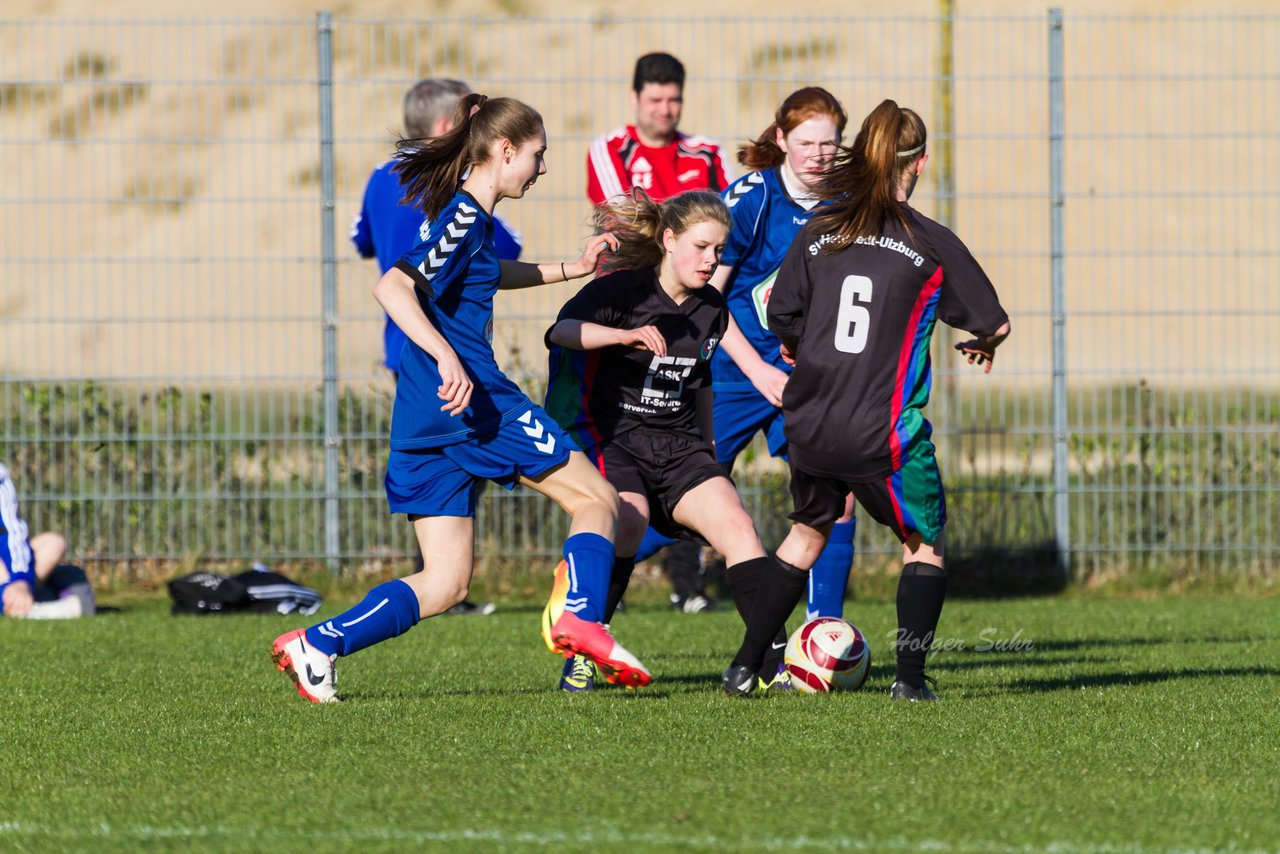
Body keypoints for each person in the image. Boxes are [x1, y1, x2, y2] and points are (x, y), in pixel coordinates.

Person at [271, 94, 650, 703]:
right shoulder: (463, 219)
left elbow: (488, 271)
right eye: (538, 154)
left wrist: (572, 268)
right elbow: (393, 288)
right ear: (505, 151)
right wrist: (448, 355)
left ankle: (317, 644)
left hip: (424, 416)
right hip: (476, 404)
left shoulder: (468, 219)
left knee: (446, 583)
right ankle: (579, 620)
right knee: (600, 501)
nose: (542, 167)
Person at [721, 100, 1011, 702]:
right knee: (923, 544)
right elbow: (993, 322)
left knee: (803, 536)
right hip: (883, 434)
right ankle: (909, 680)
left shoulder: (821, 228)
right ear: (919, 164)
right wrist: (982, 342)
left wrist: (808, 353)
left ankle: (745, 667)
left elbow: (781, 314)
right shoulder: (930, 241)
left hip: (812, 420)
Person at [545, 190, 793, 693]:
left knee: (739, 530)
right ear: (669, 238)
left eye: (720, 251)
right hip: (616, 439)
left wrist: (710, 454)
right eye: (702, 247)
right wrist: (622, 336)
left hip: (681, 448)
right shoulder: (622, 292)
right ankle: (586, 651)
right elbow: (561, 331)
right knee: (628, 523)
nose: (712, 260)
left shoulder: (711, 310)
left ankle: (770, 668)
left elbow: (700, 383)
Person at [351, 77, 517, 617]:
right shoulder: (455, 186)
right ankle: (444, 581)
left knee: (439, 457)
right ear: (451, 125)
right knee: (463, 453)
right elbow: (501, 248)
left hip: (400, 345)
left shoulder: (380, 177)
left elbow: (363, 242)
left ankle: (439, 578)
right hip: (444, 344)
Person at [586, 52, 733, 611]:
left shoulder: (707, 154)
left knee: (691, 447)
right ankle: (596, 574)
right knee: (628, 472)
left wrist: (703, 280)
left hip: (694, 313)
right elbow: (624, 223)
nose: (666, 110)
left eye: (674, 100)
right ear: (635, 99)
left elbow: (717, 228)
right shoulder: (610, 150)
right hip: (629, 314)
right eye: (655, 100)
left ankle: (685, 587)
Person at [708, 87, 858, 621]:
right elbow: (706, 300)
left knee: (835, 498)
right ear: (780, 139)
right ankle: (583, 608)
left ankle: (823, 631)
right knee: (680, 503)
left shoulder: (849, 204)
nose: (819, 154)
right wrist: (757, 369)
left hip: (809, 379)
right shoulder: (750, 197)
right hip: (733, 370)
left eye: (829, 143)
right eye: (806, 142)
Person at [1, 463, 95, 620]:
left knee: (53, 543)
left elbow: (11, 535)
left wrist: (20, 582)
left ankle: (25, 602)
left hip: (8, 570)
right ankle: (38, 605)